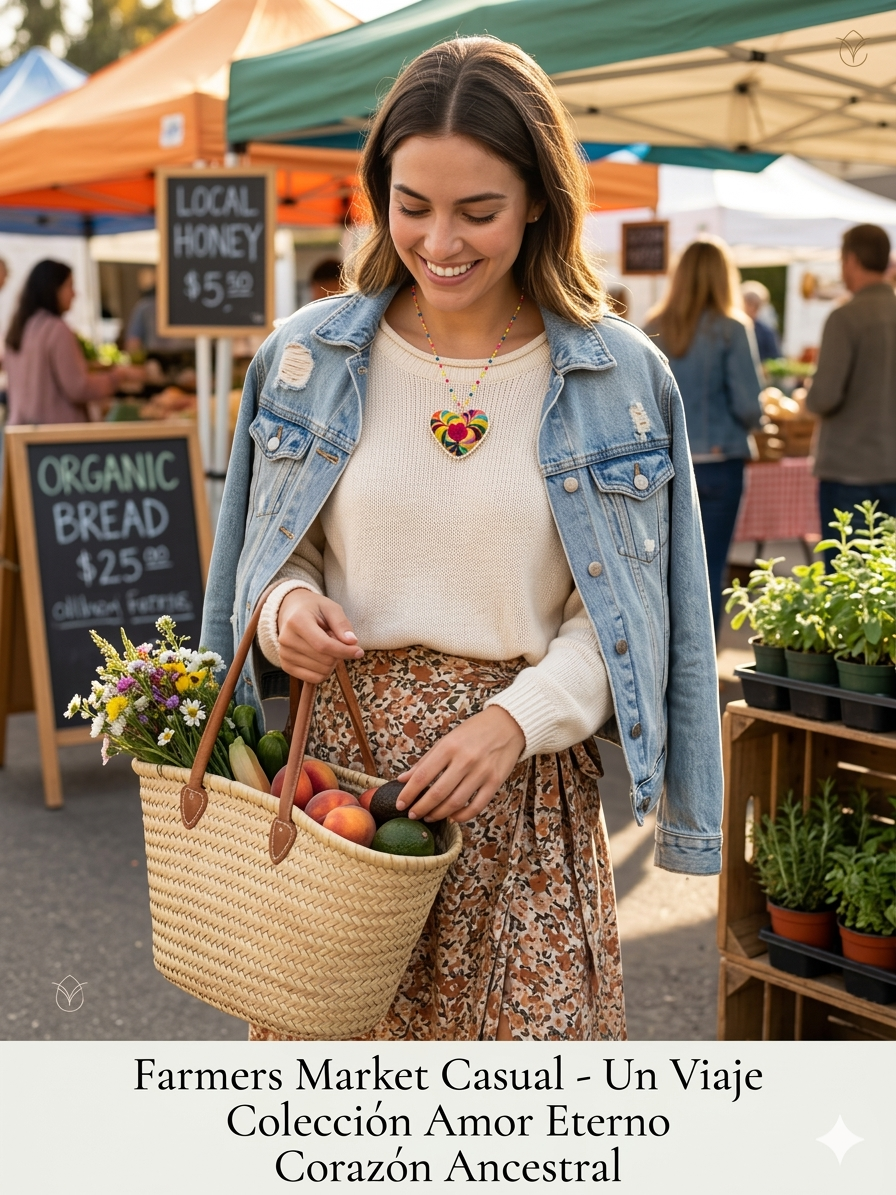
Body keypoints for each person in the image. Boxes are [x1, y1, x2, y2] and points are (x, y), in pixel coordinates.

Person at [202, 37, 723, 1043]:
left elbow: (638, 618)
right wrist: (283, 611)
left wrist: (517, 718)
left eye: (477, 212)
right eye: (412, 206)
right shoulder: (305, 357)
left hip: (520, 797)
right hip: (340, 799)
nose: (438, 241)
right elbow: (271, 558)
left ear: (537, 202)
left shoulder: (621, 378)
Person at [644, 238, 763, 632]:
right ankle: (702, 663)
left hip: (662, 466)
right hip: (718, 462)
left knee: (662, 573)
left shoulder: (652, 326)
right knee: (709, 571)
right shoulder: (732, 328)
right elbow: (749, 406)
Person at [806, 224, 896, 534]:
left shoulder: (845, 317)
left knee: (847, 562)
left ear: (852, 260)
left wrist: (809, 394)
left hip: (850, 468)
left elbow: (824, 397)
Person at [5, 259, 140, 425]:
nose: (75, 294)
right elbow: (79, 388)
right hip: (58, 434)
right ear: (53, 288)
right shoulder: (56, 329)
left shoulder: (20, 328)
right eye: (70, 286)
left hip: (22, 431)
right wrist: (119, 376)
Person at [740, 279, 781, 362]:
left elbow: (775, 358)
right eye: (749, 303)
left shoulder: (766, 332)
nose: (752, 308)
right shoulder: (732, 329)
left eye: (756, 305)